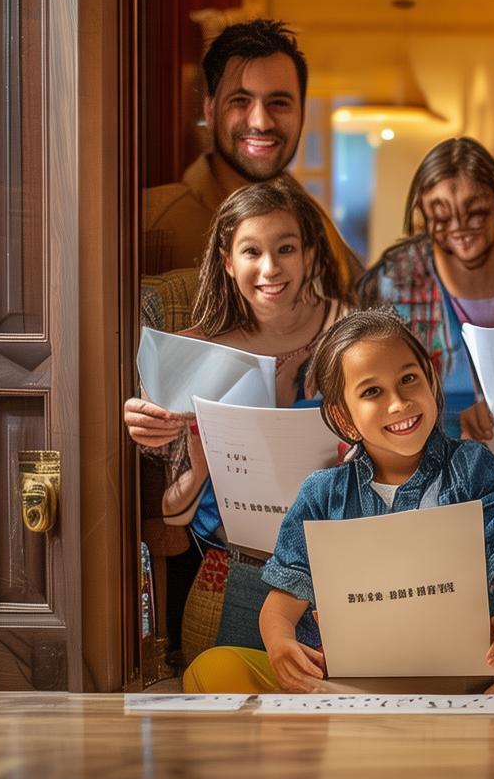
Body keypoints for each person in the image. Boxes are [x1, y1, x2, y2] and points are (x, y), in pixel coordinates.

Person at [182, 309, 494, 695]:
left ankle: (461, 727)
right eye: (372, 392)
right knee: (214, 668)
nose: (399, 403)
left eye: (408, 379)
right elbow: (282, 600)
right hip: (353, 679)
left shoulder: (470, 468)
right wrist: (280, 646)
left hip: (470, 672)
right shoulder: (322, 494)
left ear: (431, 378)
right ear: (344, 417)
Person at [126, 178, 354, 658]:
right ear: (227, 262)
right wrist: (159, 440)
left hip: (342, 581)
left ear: (310, 254)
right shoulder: (188, 357)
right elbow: (172, 513)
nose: (270, 268)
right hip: (233, 576)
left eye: (286, 248)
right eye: (252, 251)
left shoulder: (355, 334)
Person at [359, 137, 494, 439]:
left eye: (475, 213)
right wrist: (452, 423)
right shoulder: (393, 282)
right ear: (424, 215)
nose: (459, 227)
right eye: (442, 217)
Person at [142, 18, 359, 286]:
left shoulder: (315, 223)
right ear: (210, 112)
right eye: (240, 101)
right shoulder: (151, 223)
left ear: (302, 115)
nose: (261, 122)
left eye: (279, 103)